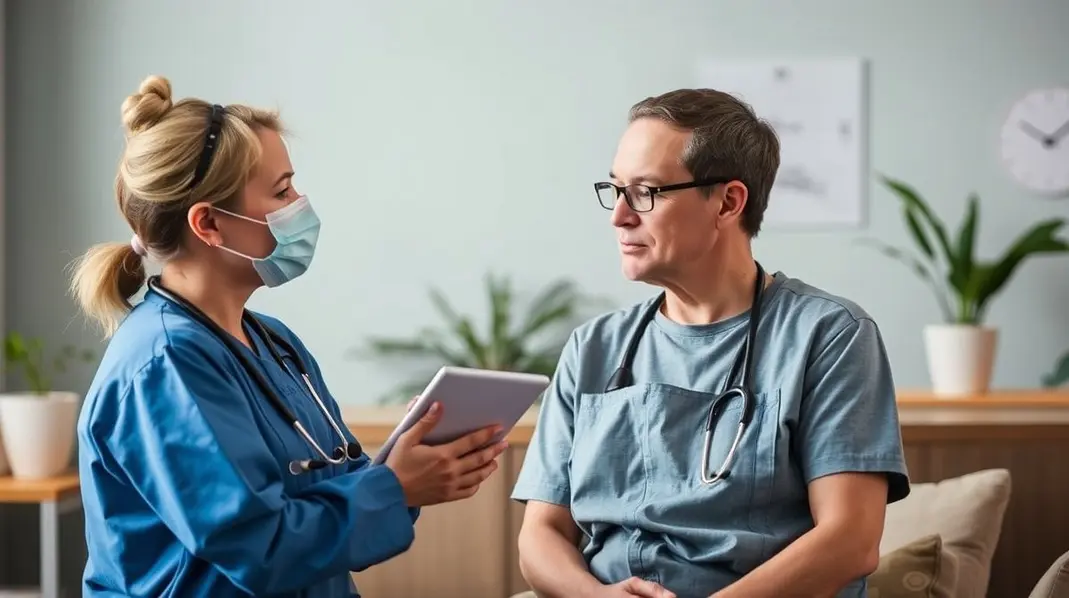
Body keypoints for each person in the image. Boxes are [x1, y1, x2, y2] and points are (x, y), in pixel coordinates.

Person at [69, 74, 507, 598]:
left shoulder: (275, 344)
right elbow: (260, 547)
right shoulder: (164, 365)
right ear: (209, 223)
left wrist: (404, 460)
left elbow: (320, 496)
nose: (300, 204)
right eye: (281, 191)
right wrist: (395, 486)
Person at [510, 88, 911, 598]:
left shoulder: (830, 336)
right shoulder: (594, 347)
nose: (619, 216)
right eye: (615, 190)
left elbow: (849, 540)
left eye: (647, 192)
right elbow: (540, 537)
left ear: (728, 202)